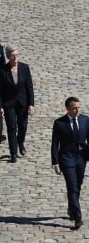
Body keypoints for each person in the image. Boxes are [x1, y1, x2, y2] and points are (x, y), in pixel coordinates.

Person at [51, 97, 89, 229]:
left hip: (81, 158)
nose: (77, 110)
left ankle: (71, 208)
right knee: (72, 186)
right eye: (74, 108)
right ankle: (78, 218)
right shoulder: (59, 123)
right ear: (67, 109)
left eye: (79, 107)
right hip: (66, 158)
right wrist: (55, 163)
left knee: (77, 185)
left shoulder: (85, 120)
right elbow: (55, 144)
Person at [0, 44, 34, 163]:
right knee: (12, 128)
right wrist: (0, 106)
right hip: (9, 104)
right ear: (8, 56)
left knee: (23, 127)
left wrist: (31, 104)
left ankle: (20, 142)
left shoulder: (24, 68)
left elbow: (29, 87)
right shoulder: (3, 70)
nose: (15, 58)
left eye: (17, 55)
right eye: (13, 56)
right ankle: (13, 152)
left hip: (22, 102)